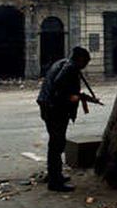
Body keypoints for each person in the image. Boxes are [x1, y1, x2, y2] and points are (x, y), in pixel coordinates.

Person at [36, 46, 91, 192]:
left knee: (55, 142)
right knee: (57, 143)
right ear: (81, 59)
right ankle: (55, 181)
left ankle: (55, 174)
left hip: (48, 106)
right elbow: (59, 85)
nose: (85, 66)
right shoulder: (70, 67)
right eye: (86, 62)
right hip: (55, 109)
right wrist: (70, 97)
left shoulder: (62, 63)